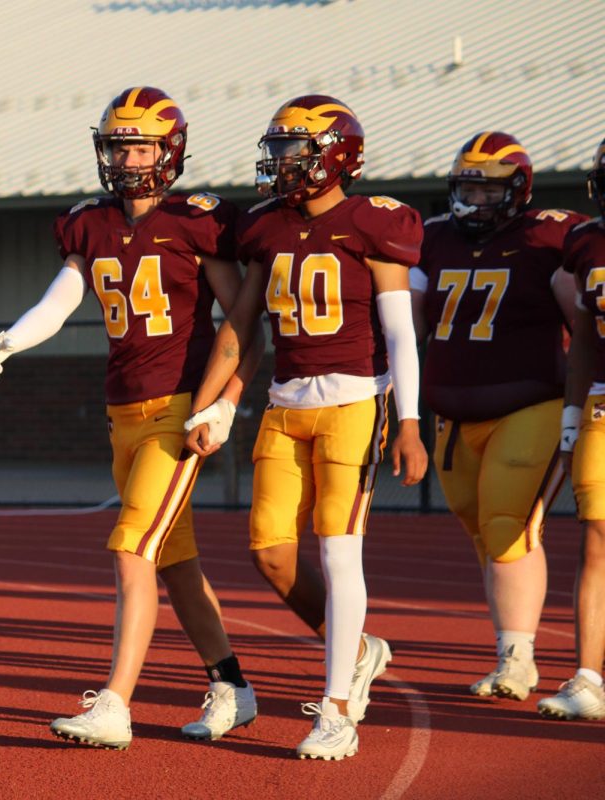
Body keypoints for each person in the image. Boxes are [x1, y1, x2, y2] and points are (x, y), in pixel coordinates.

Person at [0, 87, 262, 748]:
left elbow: (246, 325)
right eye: (116, 144)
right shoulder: (90, 222)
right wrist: (16, 335)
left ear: (169, 150)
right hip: (123, 411)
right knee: (174, 563)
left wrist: (224, 403)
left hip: (177, 409)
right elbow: (63, 297)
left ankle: (114, 702)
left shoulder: (199, 219)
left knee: (131, 549)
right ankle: (232, 685)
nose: (125, 157)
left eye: (138, 145)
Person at [192, 95, 428, 760]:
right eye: (280, 150)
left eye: (297, 150)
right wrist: (213, 404)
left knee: (336, 548)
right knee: (269, 551)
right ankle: (358, 647)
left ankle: (336, 709)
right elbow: (241, 325)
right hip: (285, 402)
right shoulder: (266, 227)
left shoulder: (375, 222)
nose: (283, 163)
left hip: (355, 400)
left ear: (337, 157)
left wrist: (408, 422)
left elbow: (399, 334)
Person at [410, 132, 584, 701]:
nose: (473, 201)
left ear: (517, 191)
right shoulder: (432, 238)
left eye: (486, 190)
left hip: (529, 403)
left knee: (509, 528)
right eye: (466, 188)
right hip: (452, 415)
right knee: (488, 535)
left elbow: (583, 320)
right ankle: (514, 646)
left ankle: (518, 659)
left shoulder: (550, 236)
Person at [538, 136, 605, 721]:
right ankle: (588, 676)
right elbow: (584, 333)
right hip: (603, 406)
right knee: (597, 538)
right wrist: (570, 409)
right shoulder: (587, 242)